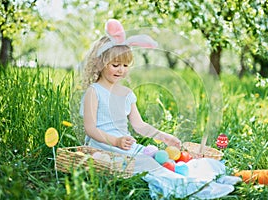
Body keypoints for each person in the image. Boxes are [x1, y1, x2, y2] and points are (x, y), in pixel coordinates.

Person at [80, 19, 241, 199]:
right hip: (103, 148)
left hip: (125, 146)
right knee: (149, 165)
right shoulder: (94, 92)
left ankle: (207, 179)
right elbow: (90, 128)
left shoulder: (126, 93)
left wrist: (163, 136)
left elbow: (139, 125)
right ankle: (195, 188)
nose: (121, 70)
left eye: (125, 65)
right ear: (100, 63)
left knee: (162, 158)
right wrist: (115, 142)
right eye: (115, 65)